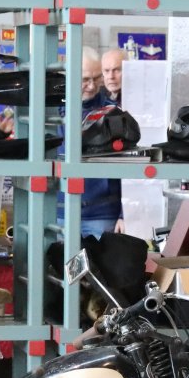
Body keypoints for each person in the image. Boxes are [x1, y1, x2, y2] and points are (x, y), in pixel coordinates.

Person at [69, 48, 121, 238]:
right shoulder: (52, 113)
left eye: (97, 78)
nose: (91, 86)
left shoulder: (114, 112)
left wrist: (124, 214)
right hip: (61, 211)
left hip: (103, 214)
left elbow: (130, 164)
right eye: (85, 79)